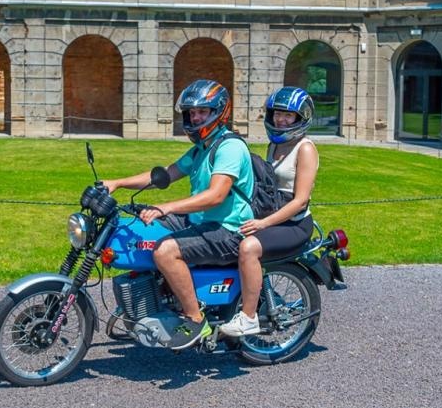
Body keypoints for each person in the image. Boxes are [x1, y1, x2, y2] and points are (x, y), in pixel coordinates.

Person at [100, 79, 255, 351]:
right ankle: (156, 298)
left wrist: (167, 207)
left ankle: (196, 320)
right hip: (202, 221)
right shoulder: (202, 148)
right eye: (191, 113)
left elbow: (216, 195)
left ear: (219, 112)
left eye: (201, 112)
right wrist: (118, 182)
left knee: (165, 252)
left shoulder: (230, 147)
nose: (195, 117)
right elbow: (165, 175)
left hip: (229, 229)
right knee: (138, 229)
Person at [218, 87, 320, 338]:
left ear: (301, 117)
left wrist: (263, 224)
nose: (281, 120)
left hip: (294, 224)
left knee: (249, 247)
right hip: (273, 216)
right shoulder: (274, 146)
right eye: (277, 114)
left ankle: (249, 318)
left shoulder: (305, 149)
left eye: (288, 116)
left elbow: (300, 201)